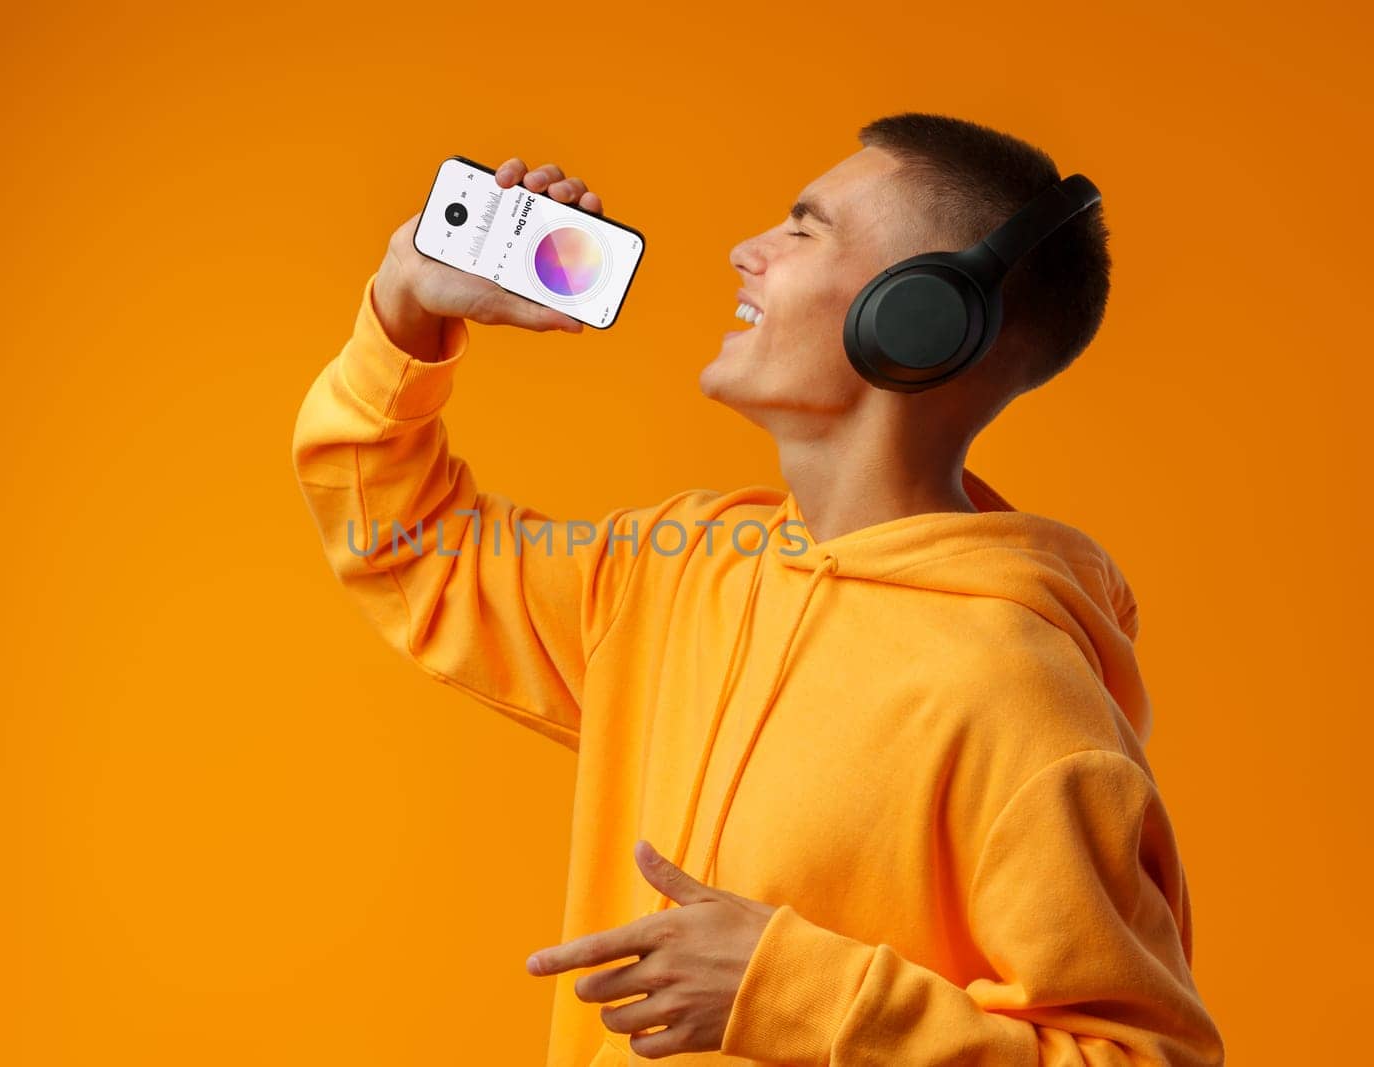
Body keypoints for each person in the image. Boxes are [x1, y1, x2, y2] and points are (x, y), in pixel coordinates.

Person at [290, 112, 1225, 1065]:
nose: (746, 252)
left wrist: (791, 992)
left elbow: (1142, 1056)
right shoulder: (683, 564)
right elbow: (406, 544)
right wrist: (408, 306)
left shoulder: (1019, 693)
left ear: (919, 316)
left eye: (803, 228)